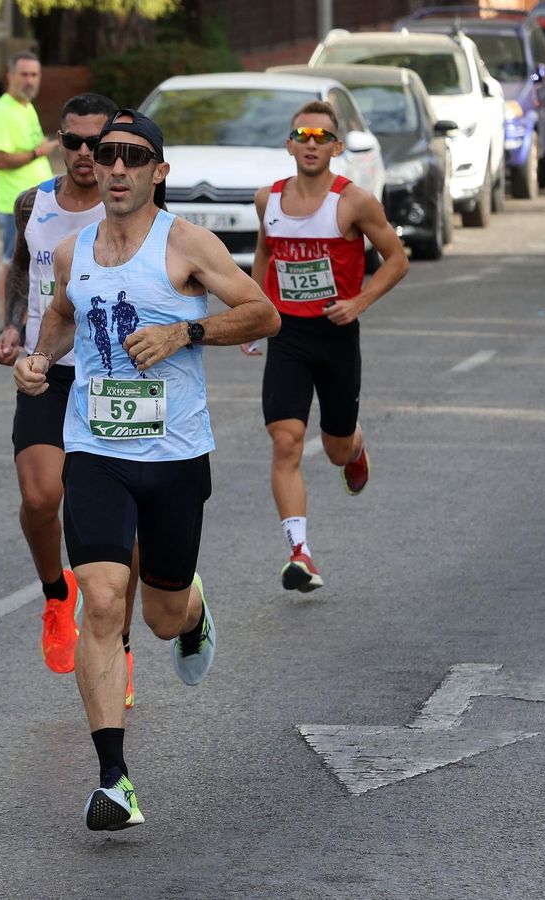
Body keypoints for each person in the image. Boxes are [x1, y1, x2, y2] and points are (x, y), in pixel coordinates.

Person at [13, 110, 280, 830]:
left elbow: (263, 315)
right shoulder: (73, 251)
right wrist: (40, 358)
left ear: (158, 171)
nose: (119, 168)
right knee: (100, 600)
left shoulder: (188, 244)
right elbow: (62, 318)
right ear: (94, 167)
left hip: (175, 456)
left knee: (159, 617)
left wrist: (185, 331)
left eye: (135, 156)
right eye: (108, 156)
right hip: (96, 450)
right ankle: (112, 780)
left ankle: (190, 607)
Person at [0, 92, 139, 707]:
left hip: (114, 377)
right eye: (73, 141)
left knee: (121, 525)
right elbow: (22, 266)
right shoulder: (35, 202)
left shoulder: (135, 204)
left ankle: (119, 645)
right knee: (39, 495)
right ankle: (57, 593)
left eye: (96, 143)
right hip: (46, 367)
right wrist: (9, 325)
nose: (84, 154)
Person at [245, 101, 409, 592]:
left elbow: (397, 260)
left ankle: (354, 447)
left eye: (321, 136)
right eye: (302, 134)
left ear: (337, 147)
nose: (311, 142)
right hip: (288, 335)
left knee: (335, 449)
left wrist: (359, 302)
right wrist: (253, 316)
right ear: (289, 144)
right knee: (285, 441)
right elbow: (263, 256)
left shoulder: (354, 202)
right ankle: (300, 553)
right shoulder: (266, 200)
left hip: (336, 334)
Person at [0, 52, 58, 319]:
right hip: (12, 205)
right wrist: (38, 153)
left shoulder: (26, 106)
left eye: (34, 75)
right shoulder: (2, 111)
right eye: (24, 74)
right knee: (12, 264)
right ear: (10, 76)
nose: (29, 80)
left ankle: (25, 324)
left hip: (36, 205)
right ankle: (9, 325)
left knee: (31, 268)